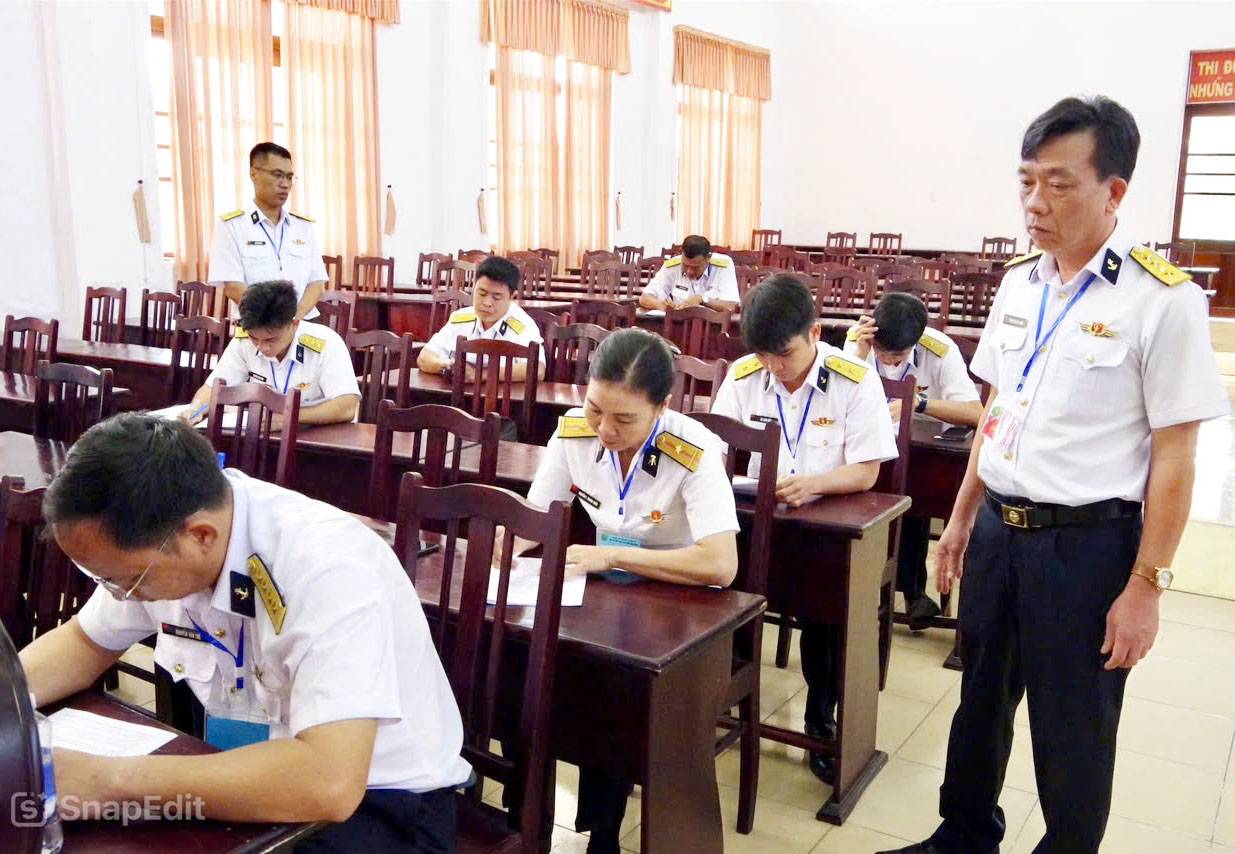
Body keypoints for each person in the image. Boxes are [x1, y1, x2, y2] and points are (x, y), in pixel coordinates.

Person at [880, 97, 1228, 854]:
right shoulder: (1021, 284)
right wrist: (962, 518)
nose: (1035, 203)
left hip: (1087, 548)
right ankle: (963, 834)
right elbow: (997, 412)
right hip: (998, 531)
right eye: (1026, 181)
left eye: (1059, 184)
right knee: (979, 698)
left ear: (1113, 191)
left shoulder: (1162, 300)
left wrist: (1146, 585)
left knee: (1072, 723)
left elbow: (1176, 457)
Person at [19, 414, 471, 852]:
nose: (120, 595)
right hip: (241, 768)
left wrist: (106, 781)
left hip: (380, 804)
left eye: (127, 582)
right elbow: (84, 641)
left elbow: (330, 782)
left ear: (200, 537)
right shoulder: (163, 533)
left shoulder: (327, 568)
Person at [503, 327, 740, 854]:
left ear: (663, 406)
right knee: (540, 665)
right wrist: (501, 543)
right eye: (595, 410)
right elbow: (536, 517)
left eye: (625, 419)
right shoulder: (573, 434)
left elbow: (721, 564)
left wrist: (613, 556)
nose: (605, 430)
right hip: (605, 593)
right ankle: (544, 821)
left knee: (609, 684)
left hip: (682, 602)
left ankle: (604, 833)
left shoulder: (694, 450)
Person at [710, 273, 897, 787]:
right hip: (754, 520)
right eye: (763, 354)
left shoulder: (854, 380)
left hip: (825, 529)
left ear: (815, 332)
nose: (774, 367)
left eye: (784, 354)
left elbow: (867, 471)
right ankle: (719, 693)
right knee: (711, 585)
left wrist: (814, 483)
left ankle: (821, 715)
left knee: (825, 608)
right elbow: (716, 452)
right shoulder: (745, 375)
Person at [844, 292, 983, 628]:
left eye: (898, 356)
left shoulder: (940, 349)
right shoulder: (858, 341)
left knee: (913, 492)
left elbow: (975, 413)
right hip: (867, 449)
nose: (888, 362)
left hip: (922, 450)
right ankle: (877, 591)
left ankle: (911, 592)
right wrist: (860, 357)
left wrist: (919, 404)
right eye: (882, 353)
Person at [182, 281, 360, 426]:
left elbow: (347, 406)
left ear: (294, 324)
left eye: (271, 340)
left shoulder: (325, 343)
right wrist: (195, 410)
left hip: (318, 437)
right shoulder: (243, 342)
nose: (262, 347)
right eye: (254, 338)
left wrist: (289, 418)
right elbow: (213, 389)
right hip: (265, 433)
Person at [209, 142, 327, 321]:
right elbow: (234, 287)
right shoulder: (231, 226)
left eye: (289, 177)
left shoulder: (303, 226)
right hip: (256, 326)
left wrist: (294, 317)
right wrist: (275, 322)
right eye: (277, 175)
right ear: (254, 173)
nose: (285, 184)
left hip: (301, 324)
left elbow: (317, 282)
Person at [416, 254, 545, 381]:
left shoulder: (522, 326)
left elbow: (538, 370)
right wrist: (447, 367)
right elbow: (424, 357)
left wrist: (480, 375)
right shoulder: (461, 318)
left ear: (511, 297)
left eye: (496, 297)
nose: (487, 303)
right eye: (482, 293)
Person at [638, 235, 739, 312]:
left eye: (695, 267)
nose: (689, 271)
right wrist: (663, 306)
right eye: (685, 266)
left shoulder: (723, 266)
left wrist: (702, 300)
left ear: (708, 258)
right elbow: (644, 298)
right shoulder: (673, 266)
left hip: (712, 326)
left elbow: (731, 306)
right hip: (678, 325)